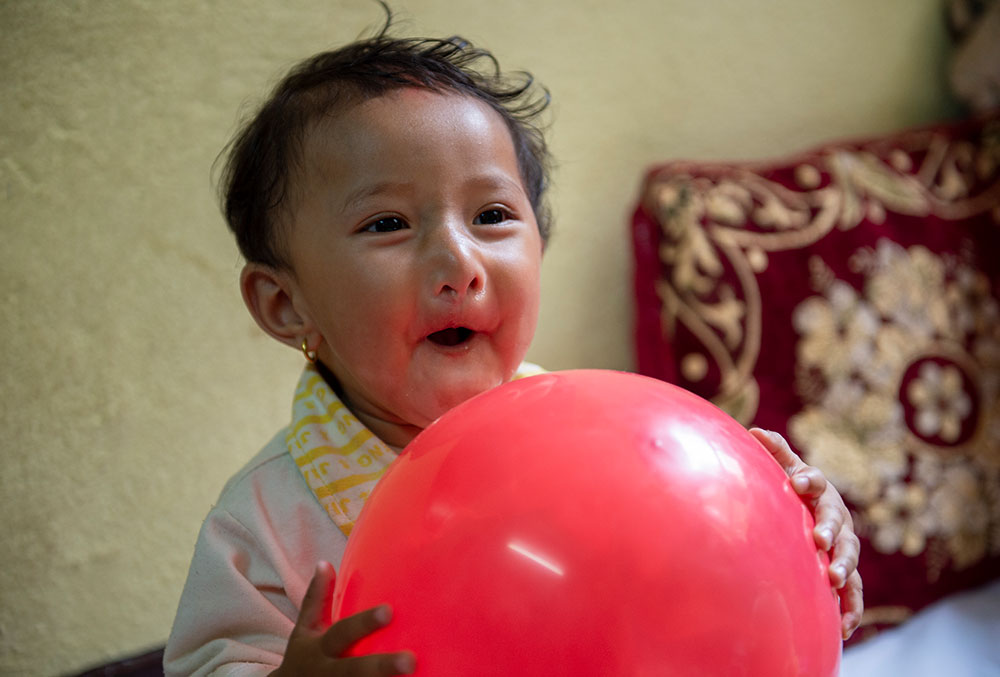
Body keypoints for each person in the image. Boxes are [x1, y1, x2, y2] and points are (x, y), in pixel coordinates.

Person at [164, 10, 863, 677]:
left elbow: (675, 571)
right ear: (286, 303)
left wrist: (803, 542)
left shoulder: (600, 440)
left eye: (491, 215)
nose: (458, 261)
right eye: (387, 224)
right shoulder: (262, 522)